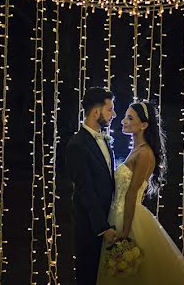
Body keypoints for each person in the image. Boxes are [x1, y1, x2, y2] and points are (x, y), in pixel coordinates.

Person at [96, 100, 184, 284]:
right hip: (117, 213)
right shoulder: (136, 150)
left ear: (144, 125)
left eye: (130, 118)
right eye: (125, 117)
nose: (123, 121)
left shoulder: (144, 154)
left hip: (128, 217)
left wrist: (126, 231)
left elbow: (131, 193)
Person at [67, 88, 118, 285]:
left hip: (109, 220)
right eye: (110, 110)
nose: (113, 115)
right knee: (88, 276)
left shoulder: (104, 139)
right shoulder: (77, 145)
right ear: (96, 113)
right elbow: (85, 190)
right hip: (90, 226)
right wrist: (102, 228)